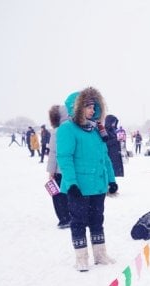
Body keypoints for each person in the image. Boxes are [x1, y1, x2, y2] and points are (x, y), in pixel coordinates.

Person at [56, 86, 118, 271]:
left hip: (98, 185)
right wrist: (71, 182)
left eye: (94, 106)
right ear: (77, 108)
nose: (92, 110)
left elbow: (104, 157)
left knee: (97, 219)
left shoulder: (95, 130)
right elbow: (64, 158)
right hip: (79, 187)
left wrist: (112, 180)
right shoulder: (67, 129)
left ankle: (100, 255)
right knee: (79, 221)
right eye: (88, 106)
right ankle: (81, 258)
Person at [46, 105, 71, 229]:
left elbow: (53, 152)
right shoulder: (74, 128)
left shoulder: (57, 131)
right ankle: (70, 216)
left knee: (58, 195)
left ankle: (64, 218)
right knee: (69, 193)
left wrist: (51, 171)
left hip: (59, 170)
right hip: (69, 170)